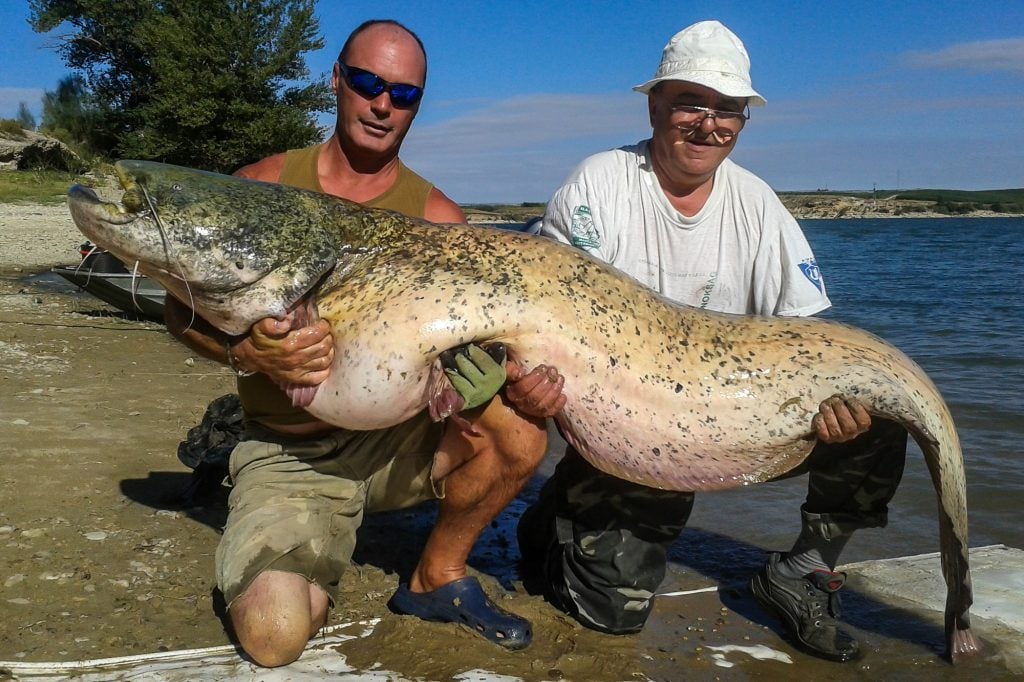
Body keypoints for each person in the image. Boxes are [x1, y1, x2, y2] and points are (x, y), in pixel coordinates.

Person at [164, 19, 561, 667]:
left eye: (403, 94)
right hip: (288, 450)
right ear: (337, 80)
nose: (383, 105)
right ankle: (266, 495)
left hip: (395, 442)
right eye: (369, 83)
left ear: (416, 106)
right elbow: (177, 310)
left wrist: (510, 385)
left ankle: (436, 575)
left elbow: (470, 366)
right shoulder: (262, 186)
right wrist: (254, 355)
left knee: (520, 430)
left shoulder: (439, 220)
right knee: (274, 635)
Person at [515, 20, 908, 663]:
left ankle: (802, 571)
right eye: (691, 104)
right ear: (655, 105)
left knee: (881, 411)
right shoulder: (599, 183)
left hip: (730, 413)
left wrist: (832, 407)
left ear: (744, 120)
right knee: (611, 614)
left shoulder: (758, 206)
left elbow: (804, 340)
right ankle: (558, 518)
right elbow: (560, 327)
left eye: (729, 110)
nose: (709, 124)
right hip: (628, 417)